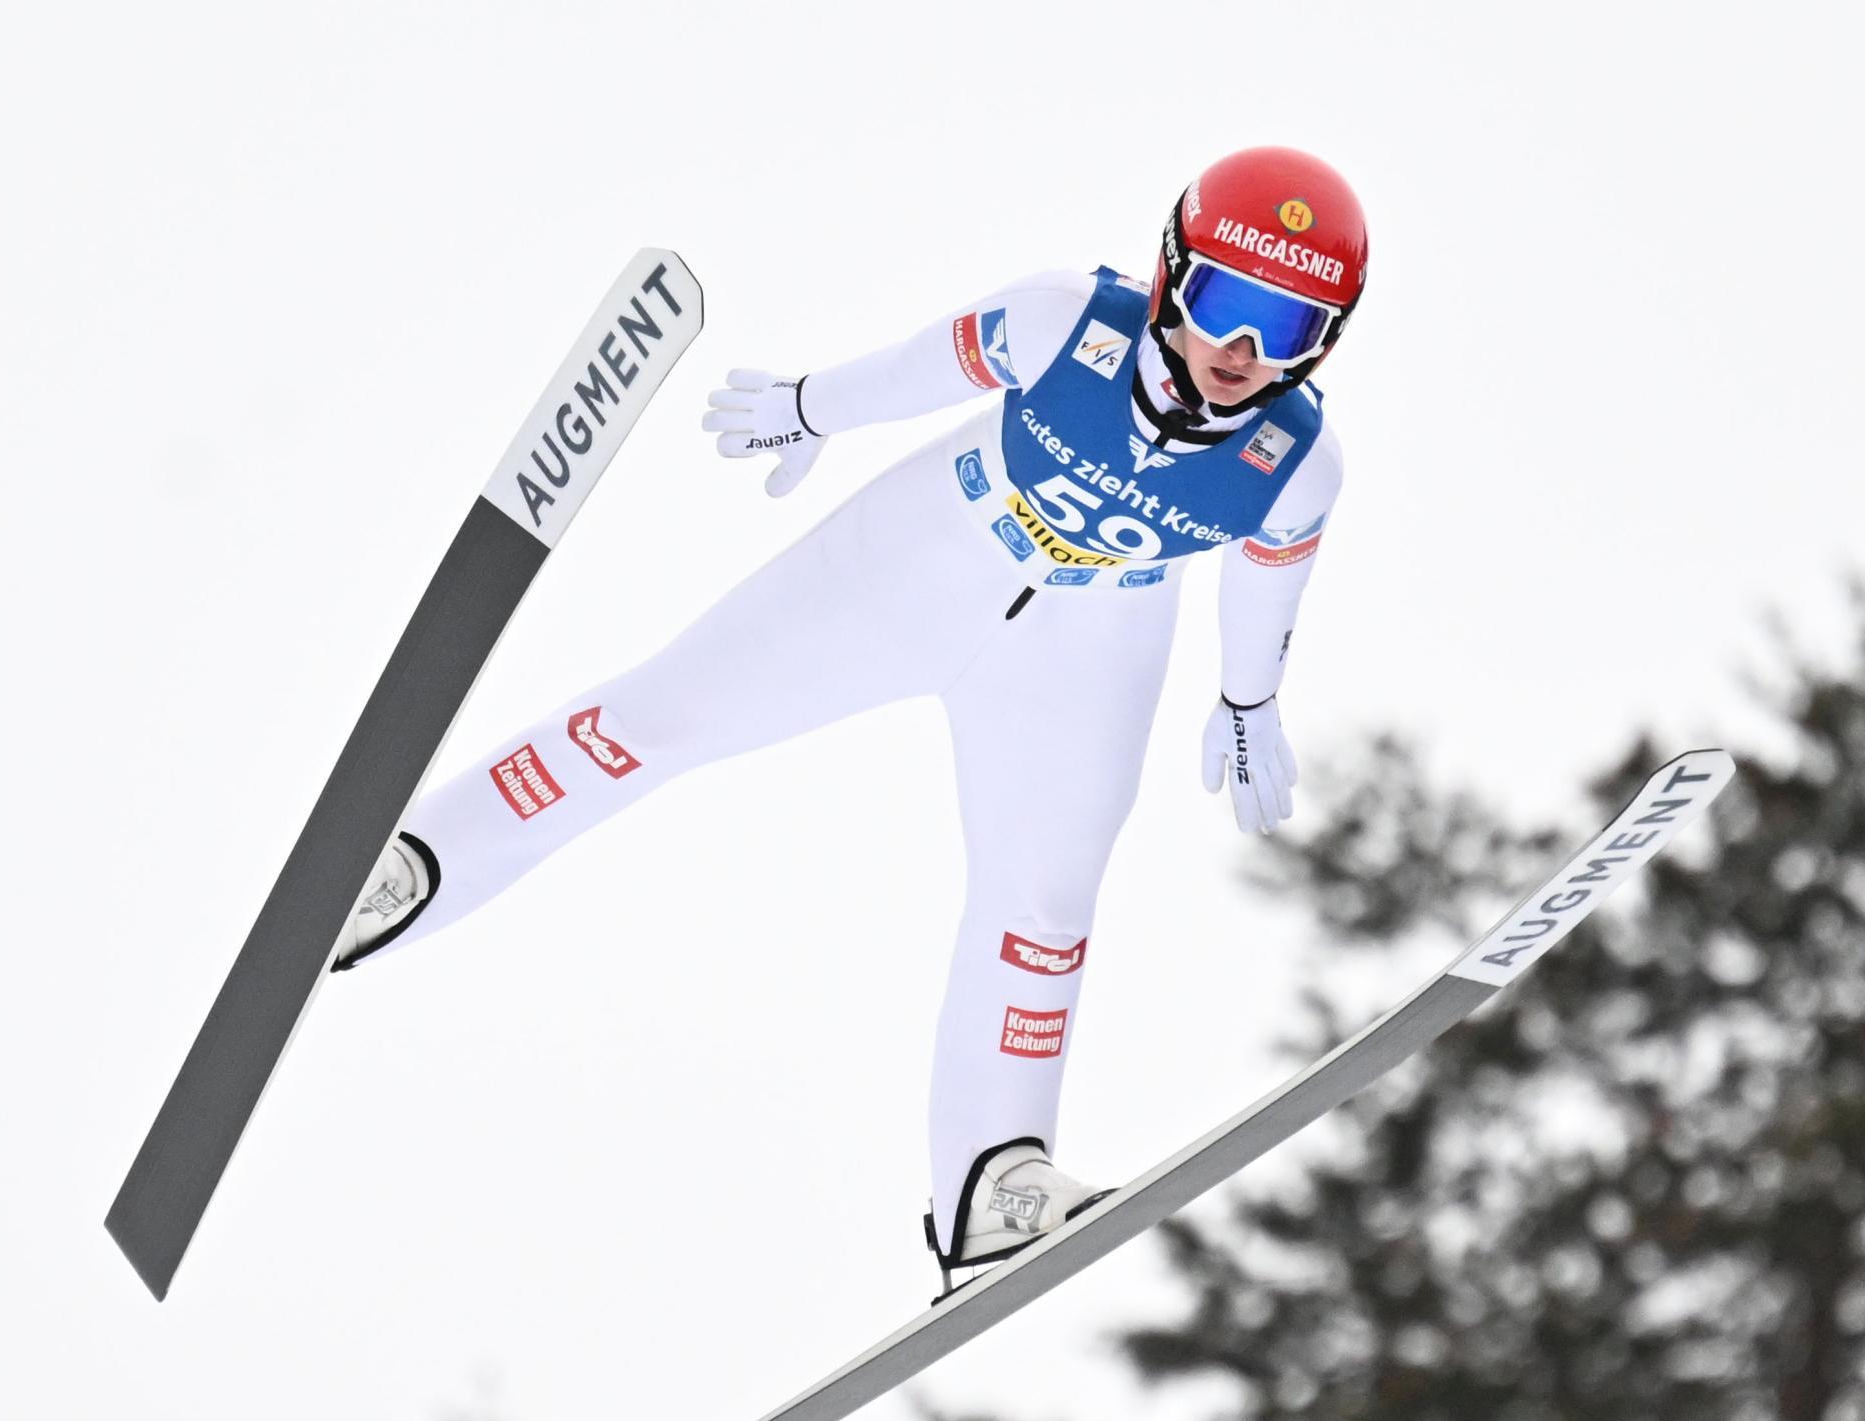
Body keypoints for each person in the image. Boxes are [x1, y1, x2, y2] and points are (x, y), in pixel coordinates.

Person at [332, 146, 1368, 1293]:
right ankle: (415, 860)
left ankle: (991, 1184)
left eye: (1289, 325)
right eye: (1231, 305)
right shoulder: (1063, 320)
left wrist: (1246, 698)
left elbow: (1269, 584)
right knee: (665, 715)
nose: (1243, 352)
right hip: (919, 557)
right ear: (1174, 275)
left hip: (1089, 648)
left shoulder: (1297, 463)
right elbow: (919, 368)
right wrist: (806, 408)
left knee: (1044, 908)